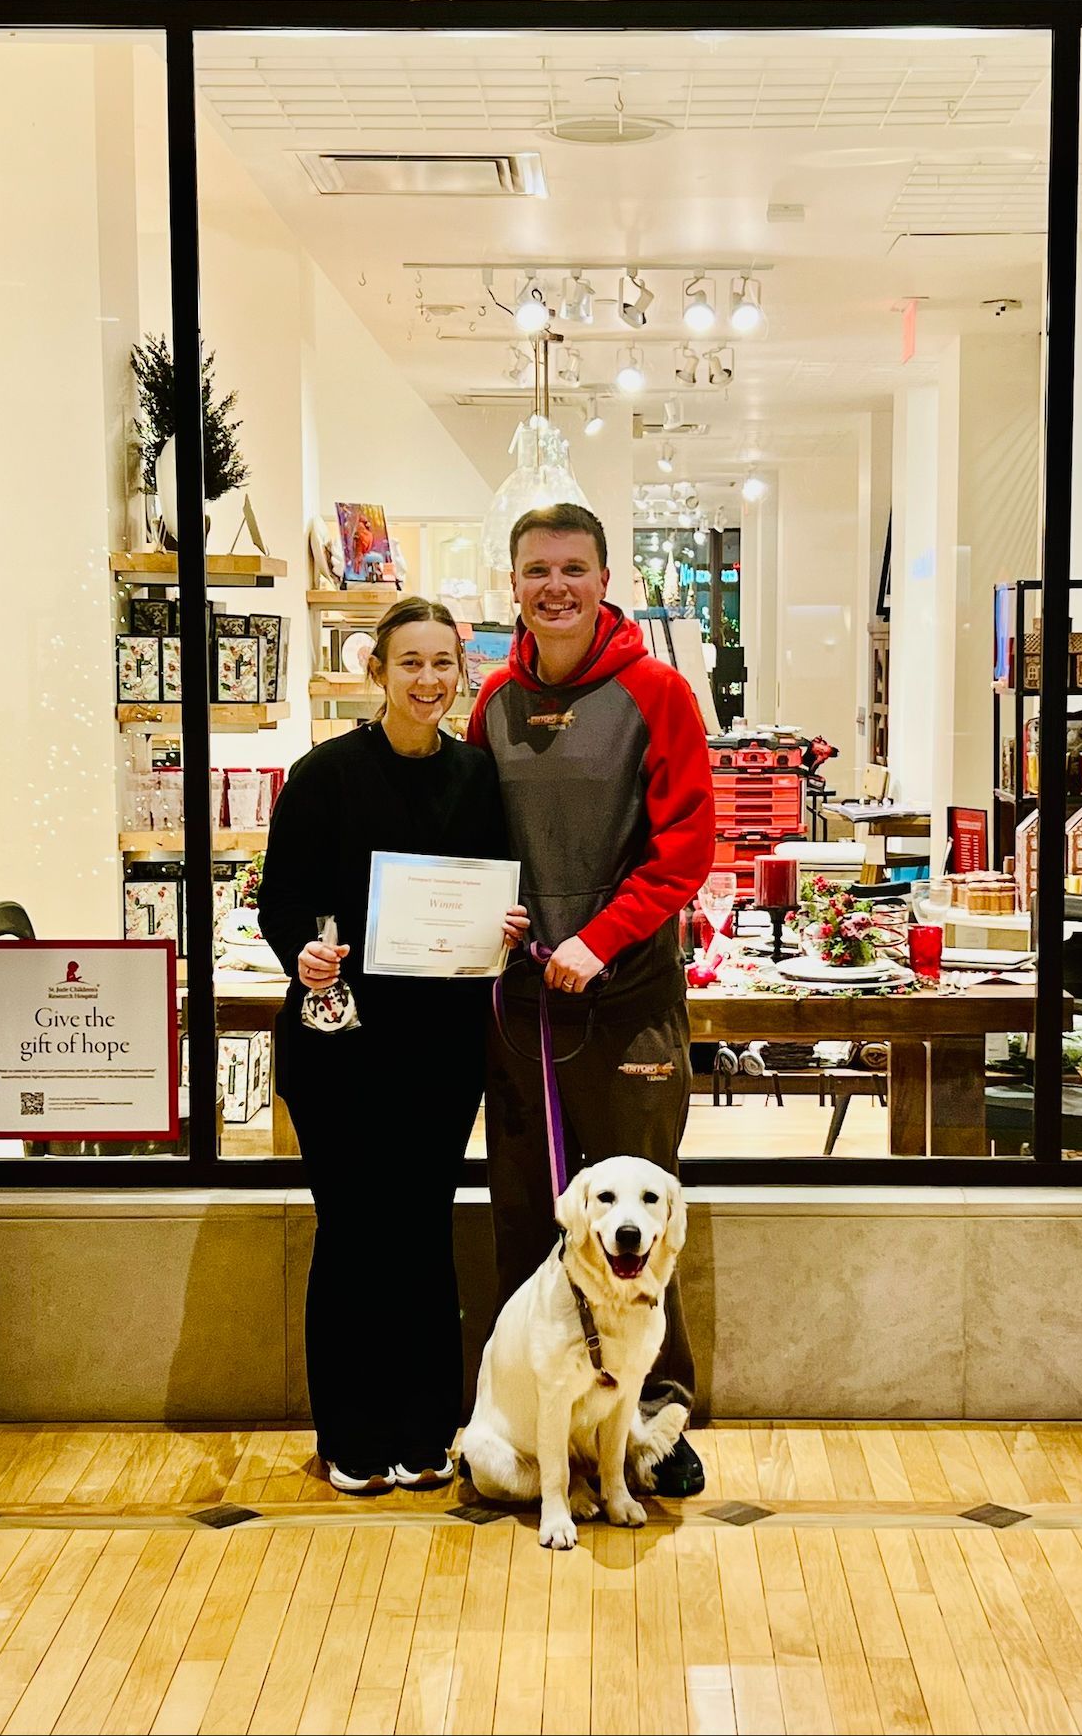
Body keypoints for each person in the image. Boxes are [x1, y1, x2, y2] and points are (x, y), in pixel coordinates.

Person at [467, 502, 715, 1498]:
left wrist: (598, 939)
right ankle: (538, 1421)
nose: (554, 586)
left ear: (606, 580)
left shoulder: (656, 692)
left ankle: (656, 1419)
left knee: (635, 1215)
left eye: (573, 567)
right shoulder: (489, 699)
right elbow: (475, 845)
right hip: (521, 1008)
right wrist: (498, 919)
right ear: (514, 584)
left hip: (629, 1002)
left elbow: (685, 850)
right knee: (530, 1213)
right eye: (536, 570)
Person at [258, 597, 528, 1494]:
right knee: (353, 1234)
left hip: (439, 1054)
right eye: (409, 662)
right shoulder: (324, 774)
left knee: (422, 1233)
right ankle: (350, 1432)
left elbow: (494, 895)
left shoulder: (477, 779)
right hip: (341, 1050)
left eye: (443, 663)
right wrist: (305, 951)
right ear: (377, 671)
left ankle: (425, 1428)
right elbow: (281, 899)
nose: (428, 680)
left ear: (463, 672)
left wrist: (511, 924)